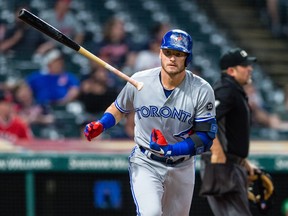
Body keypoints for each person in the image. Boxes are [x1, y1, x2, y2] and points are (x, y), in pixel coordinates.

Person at [84, 29, 217, 215]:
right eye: (168, 52)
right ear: (160, 53)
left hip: (182, 166)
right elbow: (119, 108)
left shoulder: (201, 90)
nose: (172, 58)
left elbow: (206, 136)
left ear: (188, 58)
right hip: (146, 161)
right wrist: (102, 124)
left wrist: (171, 150)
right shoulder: (140, 80)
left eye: (179, 54)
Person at [199, 48, 259, 216]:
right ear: (231, 71)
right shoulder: (226, 89)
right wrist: (217, 151)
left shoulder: (233, 89)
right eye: (245, 65)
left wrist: (242, 161)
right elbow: (203, 118)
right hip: (222, 165)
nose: (250, 69)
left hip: (230, 163)